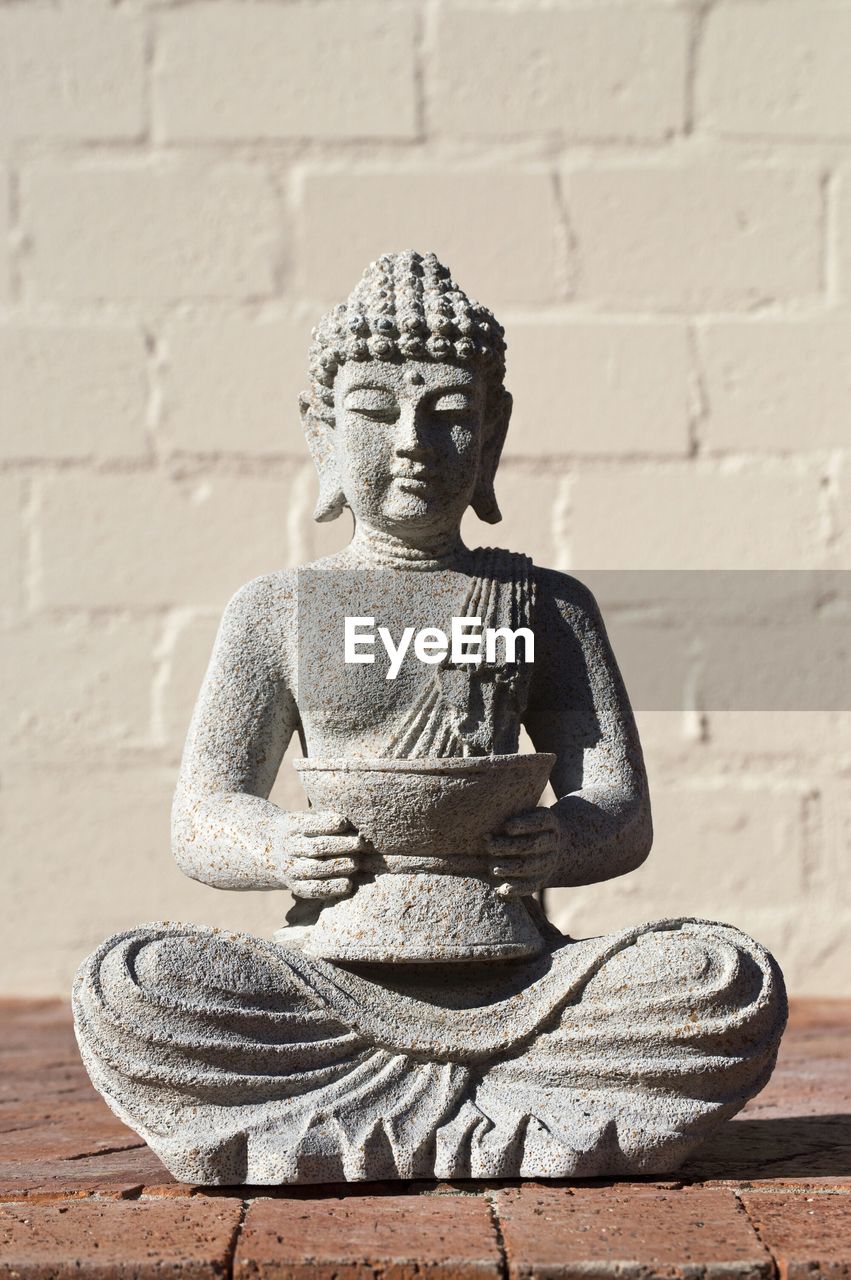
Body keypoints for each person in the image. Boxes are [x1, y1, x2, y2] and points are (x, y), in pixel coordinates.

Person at [73, 252, 786, 1184]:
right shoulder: (277, 609)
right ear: (322, 434)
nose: (412, 441)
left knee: (715, 979)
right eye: (374, 413)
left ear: (491, 437)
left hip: (525, 978)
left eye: (449, 416)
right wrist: (282, 849)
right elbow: (204, 811)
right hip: (331, 974)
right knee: (136, 987)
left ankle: (363, 1127)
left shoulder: (544, 605)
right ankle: (511, 1122)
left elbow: (618, 803)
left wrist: (563, 843)